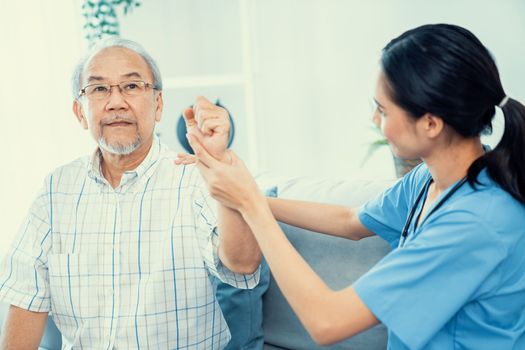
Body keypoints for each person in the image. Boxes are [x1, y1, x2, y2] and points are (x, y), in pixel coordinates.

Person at [178, 24, 525, 349]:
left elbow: (326, 321)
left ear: (431, 123)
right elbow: (350, 220)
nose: (375, 121)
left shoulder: (476, 223)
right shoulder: (432, 178)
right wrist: (244, 191)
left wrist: (251, 205)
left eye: (383, 110)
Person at [0, 38, 261, 349]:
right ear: (79, 112)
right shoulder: (56, 189)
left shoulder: (194, 179)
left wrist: (219, 163)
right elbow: (26, 298)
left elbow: (243, 264)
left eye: (132, 87)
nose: (116, 102)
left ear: (159, 104)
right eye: (99, 89)